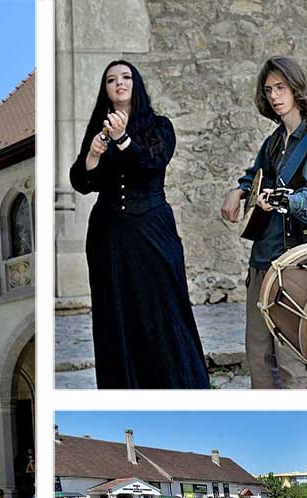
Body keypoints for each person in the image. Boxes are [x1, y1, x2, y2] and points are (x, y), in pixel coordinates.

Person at [69, 60, 210, 389]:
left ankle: (177, 383)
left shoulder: (159, 126)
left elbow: (152, 163)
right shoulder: (99, 129)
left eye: (126, 77)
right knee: (115, 313)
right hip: (109, 234)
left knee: (164, 309)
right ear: (105, 89)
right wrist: (92, 154)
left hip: (152, 228)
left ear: (136, 84)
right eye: (111, 80)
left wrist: (123, 141)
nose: (119, 83)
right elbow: (82, 182)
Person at [220, 56, 307, 388]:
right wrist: (239, 190)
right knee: (259, 355)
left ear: (296, 89)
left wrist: (283, 198)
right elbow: (256, 175)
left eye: (281, 88)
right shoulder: (274, 141)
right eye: (269, 89)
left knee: (290, 360)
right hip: (262, 261)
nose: (275, 96)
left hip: (295, 266)